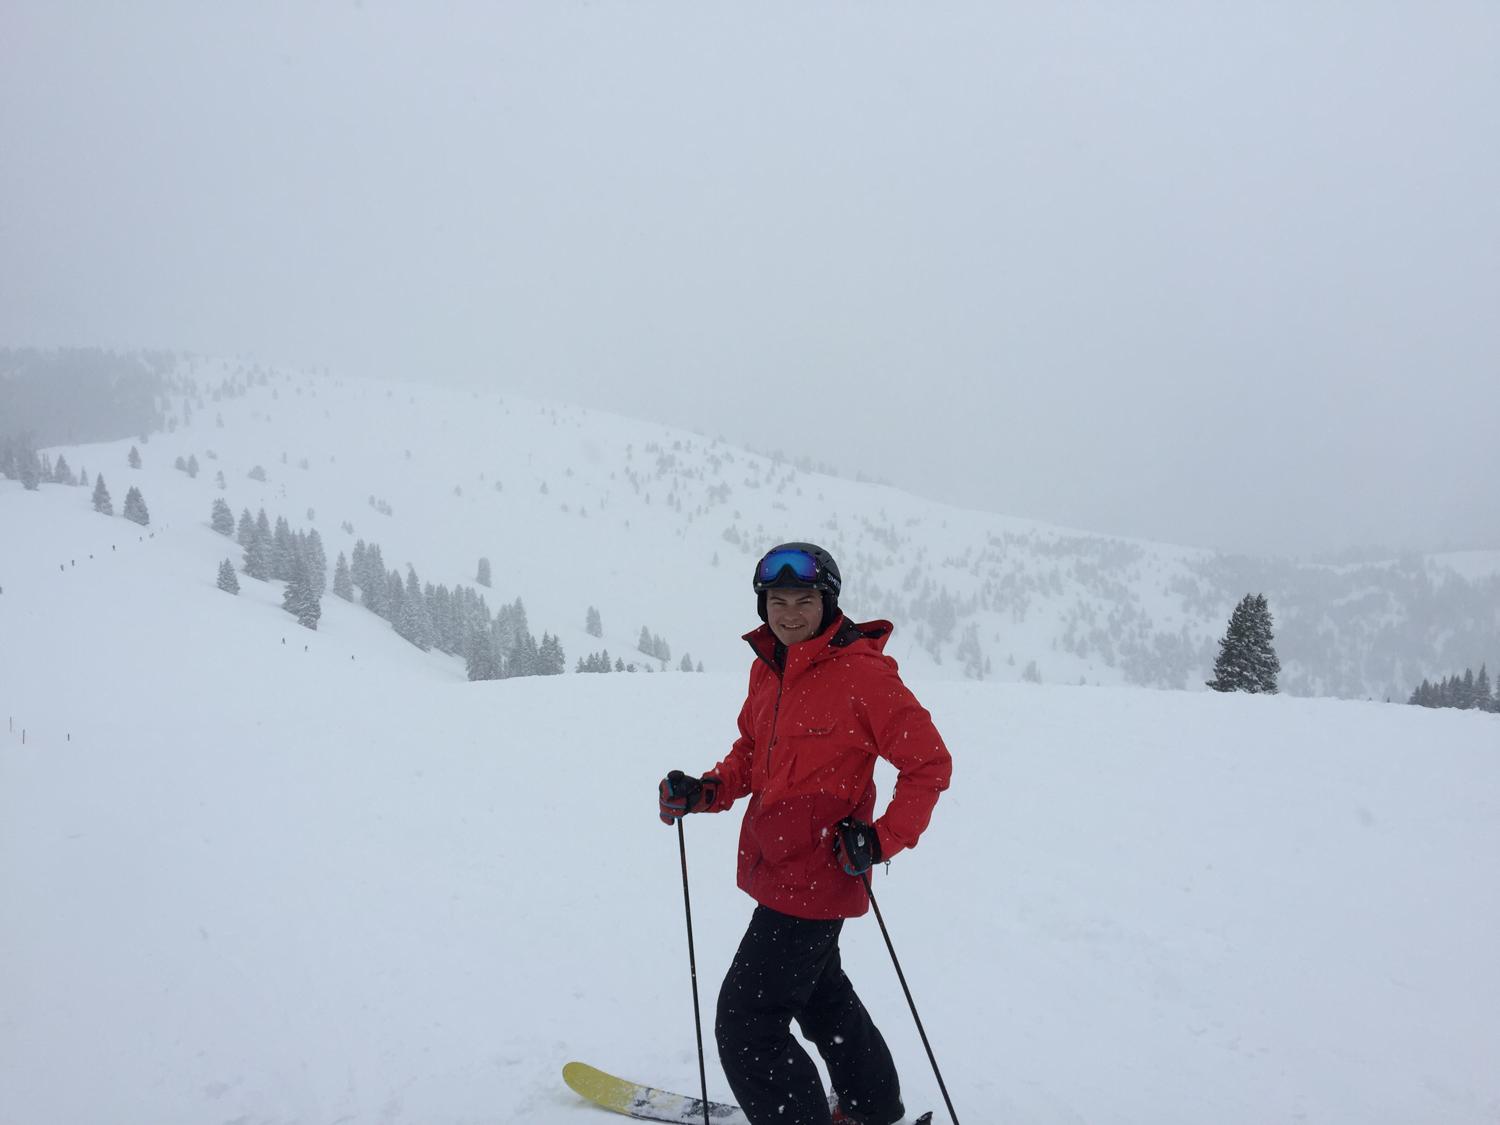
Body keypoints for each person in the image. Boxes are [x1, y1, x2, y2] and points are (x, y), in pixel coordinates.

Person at [658, 542, 952, 1125]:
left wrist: (882, 839)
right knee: (822, 997)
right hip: (776, 866)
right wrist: (706, 791)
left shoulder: (863, 675)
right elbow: (752, 754)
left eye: (804, 601)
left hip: (818, 877)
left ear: (828, 604)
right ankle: (872, 1108)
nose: (789, 614)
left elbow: (929, 764)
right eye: (778, 601)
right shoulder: (769, 668)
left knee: (747, 1022)